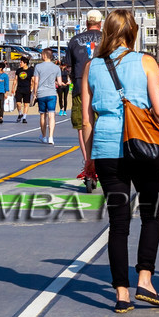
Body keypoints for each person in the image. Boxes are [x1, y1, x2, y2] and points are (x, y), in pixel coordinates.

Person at [81, 10, 159, 312]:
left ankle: (121, 293)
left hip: (107, 149)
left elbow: (87, 121)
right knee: (150, 215)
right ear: (133, 32)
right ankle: (144, 280)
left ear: (106, 31)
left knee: (118, 224)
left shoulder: (91, 67)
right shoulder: (146, 62)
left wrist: (89, 160)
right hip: (142, 147)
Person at [64, 10, 105, 186]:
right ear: (100, 23)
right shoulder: (108, 39)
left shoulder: (74, 40)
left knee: (82, 125)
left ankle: (88, 162)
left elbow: (68, 67)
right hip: (104, 86)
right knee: (104, 122)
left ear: (86, 23)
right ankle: (102, 163)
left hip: (81, 86)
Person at [34, 48, 61, 145]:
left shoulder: (38, 67)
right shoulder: (56, 68)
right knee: (51, 115)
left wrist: (34, 93)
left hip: (41, 93)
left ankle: (44, 136)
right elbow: (60, 82)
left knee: (42, 115)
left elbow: (36, 81)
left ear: (45, 55)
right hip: (52, 93)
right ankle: (51, 137)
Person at [13, 57, 33, 124]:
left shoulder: (30, 71)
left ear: (25, 63)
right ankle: (20, 113)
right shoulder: (18, 70)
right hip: (19, 88)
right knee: (18, 103)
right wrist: (13, 88)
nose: (20, 63)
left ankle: (24, 117)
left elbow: (33, 80)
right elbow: (15, 79)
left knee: (26, 104)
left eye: (21, 62)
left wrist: (32, 88)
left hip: (27, 89)